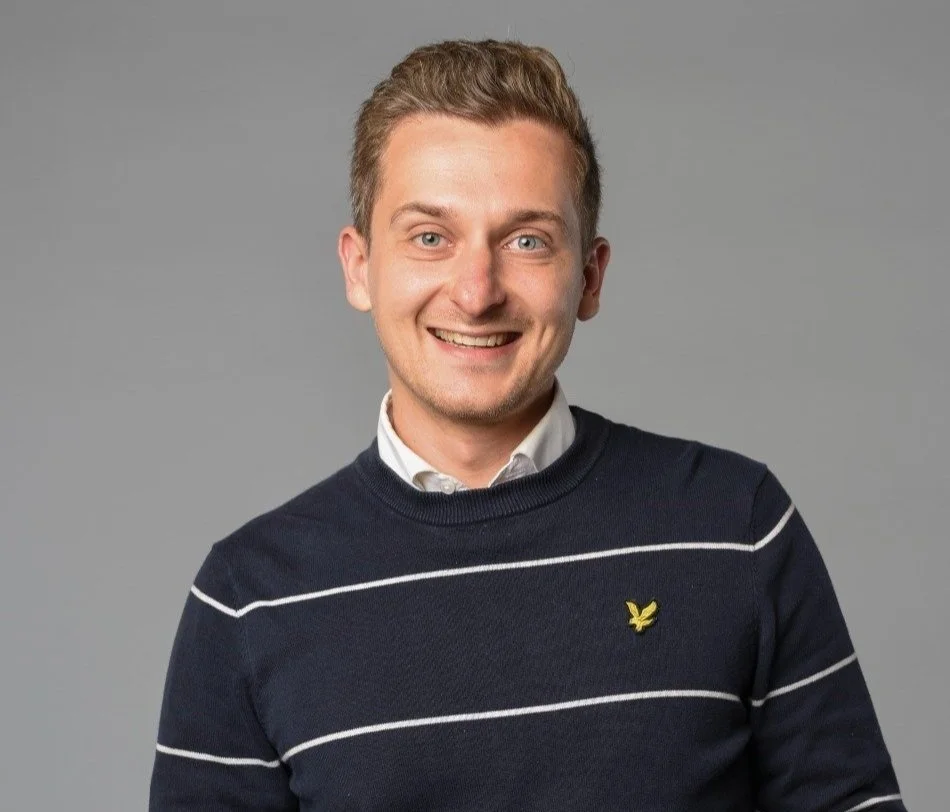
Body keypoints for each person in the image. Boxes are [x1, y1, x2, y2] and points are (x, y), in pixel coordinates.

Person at [149, 39, 906, 811]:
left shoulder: (736, 526)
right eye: (430, 237)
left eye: (526, 241)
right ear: (359, 267)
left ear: (590, 276)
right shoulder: (249, 599)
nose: (477, 292)